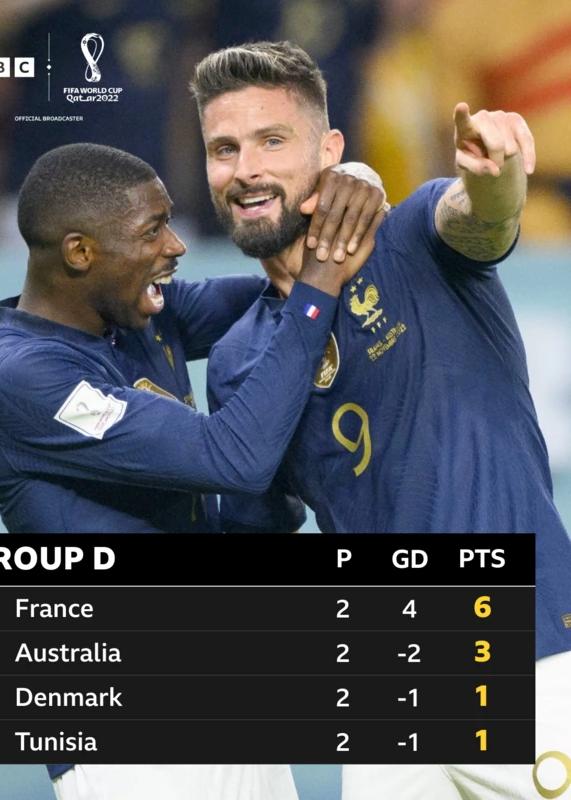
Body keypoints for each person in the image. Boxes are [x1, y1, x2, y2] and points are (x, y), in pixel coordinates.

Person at [190, 41, 571, 799]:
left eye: (272, 140)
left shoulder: (410, 239)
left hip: (525, 658)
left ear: (329, 148)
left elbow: (480, 221)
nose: (247, 170)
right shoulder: (238, 361)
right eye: (223, 149)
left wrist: (496, 180)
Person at [0, 141, 384, 800]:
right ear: (80, 252)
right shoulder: (22, 381)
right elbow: (232, 457)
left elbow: (281, 289)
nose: (177, 246)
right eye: (151, 231)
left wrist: (350, 189)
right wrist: (320, 281)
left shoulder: (142, 317)